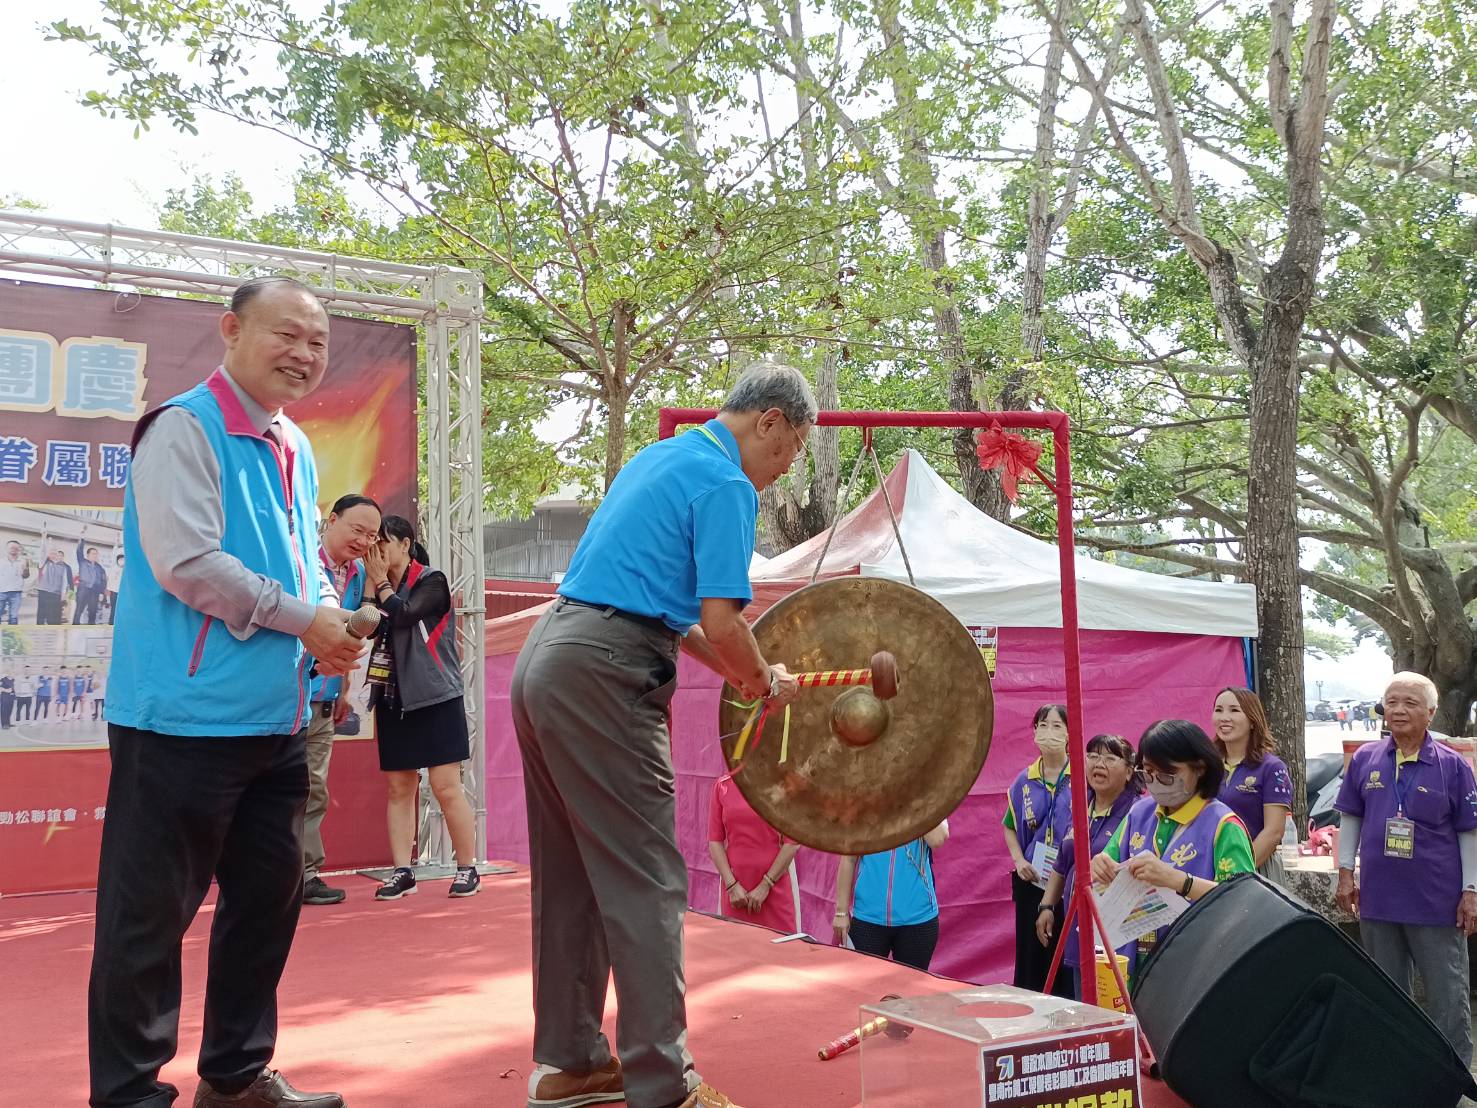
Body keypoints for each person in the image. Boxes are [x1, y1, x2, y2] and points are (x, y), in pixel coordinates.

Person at [88, 275, 363, 1108]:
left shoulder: (296, 445)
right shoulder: (184, 428)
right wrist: (301, 619)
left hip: (273, 720)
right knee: (147, 923)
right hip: (180, 717)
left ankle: (236, 1076)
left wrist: (329, 633)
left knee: (266, 907)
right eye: (286, 335)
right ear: (230, 331)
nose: (304, 355)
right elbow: (187, 563)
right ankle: (131, 1093)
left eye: (316, 343)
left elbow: (303, 558)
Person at [511, 363, 813, 1108]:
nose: (781, 474)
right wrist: (757, 676)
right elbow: (721, 621)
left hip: (549, 657)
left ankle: (572, 1062)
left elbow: (671, 617)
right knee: (648, 880)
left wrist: (748, 675)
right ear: (769, 421)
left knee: (573, 873)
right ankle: (662, 1081)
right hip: (603, 674)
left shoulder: (664, 456)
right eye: (790, 452)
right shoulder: (726, 482)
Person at [1335, 672, 1477, 1063]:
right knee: (1386, 991)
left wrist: (1471, 891)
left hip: (1436, 900)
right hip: (1379, 897)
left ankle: (1454, 1079)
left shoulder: (1452, 765)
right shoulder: (1365, 758)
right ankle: (1394, 1070)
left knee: (1447, 994)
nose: (1397, 710)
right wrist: (1345, 873)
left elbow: (1470, 832)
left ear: (1430, 713)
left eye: (1410, 703)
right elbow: (1350, 817)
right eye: (1391, 701)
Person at [361, 515, 480, 902]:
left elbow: (405, 614)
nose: (375, 550)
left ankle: (467, 868)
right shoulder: (376, 586)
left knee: (446, 787)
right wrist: (370, 588)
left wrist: (379, 584)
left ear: (405, 544)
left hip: (436, 696)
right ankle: (402, 871)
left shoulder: (432, 580)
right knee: (399, 788)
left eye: (383, 542)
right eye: (372, 543)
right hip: (394, 697)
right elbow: (364, 625)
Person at [1092, 720, 1256, 980]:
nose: (1156, 782)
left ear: (1199, 769)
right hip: (1134, 963)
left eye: (1168, 774)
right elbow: (1107, 863)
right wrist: (1099, 866)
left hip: (1195, 968)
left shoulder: (1223, 825)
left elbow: (1246, 900)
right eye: (1147, 772)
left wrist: (1180, 881)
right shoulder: (1139, 813)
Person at [301, 492, 382, 907]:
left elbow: (351, 635)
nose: (364, 540)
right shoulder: (299, 560)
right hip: (287, 697)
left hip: (326, 698)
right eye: (357, 529)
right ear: (331, 520)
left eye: (371, 535)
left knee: (314, 787)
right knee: (281, 788)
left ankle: (307, 874)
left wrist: (344, 691)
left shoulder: (356, 576)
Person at [1036, 734, 1141, 998]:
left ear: (1129, 772)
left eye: (1109, 757)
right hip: (1076, 926)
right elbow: (1062, 863)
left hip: (1117, 931)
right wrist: (1047, 906)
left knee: (1114, 1005)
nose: (1099, 764)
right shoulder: (1081, 808)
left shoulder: (1138, 813)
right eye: (1093, 756)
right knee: (1082, 1000)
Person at [1002, 703, 1076, 997]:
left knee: (1065, 953)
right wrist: (1019, 860)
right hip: (1032, 879)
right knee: (1031, 955)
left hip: (1068, 882)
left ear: (1070, 733)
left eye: (1057, 726)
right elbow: (1008, 825)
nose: (1049, 733)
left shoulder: (1082, 776)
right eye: (1043, 726)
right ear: (1033, 732)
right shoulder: (1024, 780)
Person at [833, 821, 949, 971]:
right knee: (866, 988)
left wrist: (914, 802)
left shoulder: (928, 799)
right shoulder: (865, 805)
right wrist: (841, 911)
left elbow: (937, 839)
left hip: (917, 919)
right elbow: (848, 859)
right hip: (868, 918)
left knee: (912, 991)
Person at [1212, 686, 1293, 873]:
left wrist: (1238, 870)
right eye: (1218, 710)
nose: (1224, 717)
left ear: (1252, 720)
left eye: (1234, 710)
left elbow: (1273, 833)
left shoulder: (1272, 768)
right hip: (1211, 867)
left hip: (1255, 868)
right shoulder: (1207, 766)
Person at [707, 773, 800, 933]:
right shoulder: (722, 786)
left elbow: (792, 843)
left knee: (782, 954)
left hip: (776, 891)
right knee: (734, 952)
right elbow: (714, 841)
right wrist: (732, 886)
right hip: (735, 894)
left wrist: (766, 885)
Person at [75, 532, 109, 624]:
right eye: (93, 553)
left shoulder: (100, 567)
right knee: (79, 610)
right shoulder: (82, 562)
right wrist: (82, 538)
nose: (95, 555)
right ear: (88, 555)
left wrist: (102, 592)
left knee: (93, 611)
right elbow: (79, 551)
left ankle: (90, 627)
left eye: (96, 554)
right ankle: (74, 627)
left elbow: (103, 581)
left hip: (95, 591)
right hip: (83, 589)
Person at [35, 547, 73, 624]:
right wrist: (44, 538)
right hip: (44, 592)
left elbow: (65, 582)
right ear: (49, 555)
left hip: (56, 593)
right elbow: (42, 553)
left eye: (56, 554)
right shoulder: (45, 563)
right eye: (52, 553)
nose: (56, 556)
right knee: (41, 615)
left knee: (54, 616)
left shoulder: (64, 567)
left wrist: (64, 594)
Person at [0, 539, 30, 623]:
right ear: (6, 548)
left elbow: (26, 576)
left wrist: (25, 568)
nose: (14, 549)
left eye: (16, 548)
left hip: (16, 593)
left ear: (19, 550)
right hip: (1, 592)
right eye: (12, 547)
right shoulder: (1, 561)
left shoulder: (23, 561)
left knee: (13, 617)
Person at [106, 551, 124, 625]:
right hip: (113, 591)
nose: (122, 561)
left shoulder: (125, 570)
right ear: (117, 560)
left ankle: (119, 623)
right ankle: (111, 623)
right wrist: (108, 590)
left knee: (121, 608)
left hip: (122, 592)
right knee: (114, 608)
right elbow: (109, 580)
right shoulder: (113, 569)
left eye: (123, 560)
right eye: (120, 560)